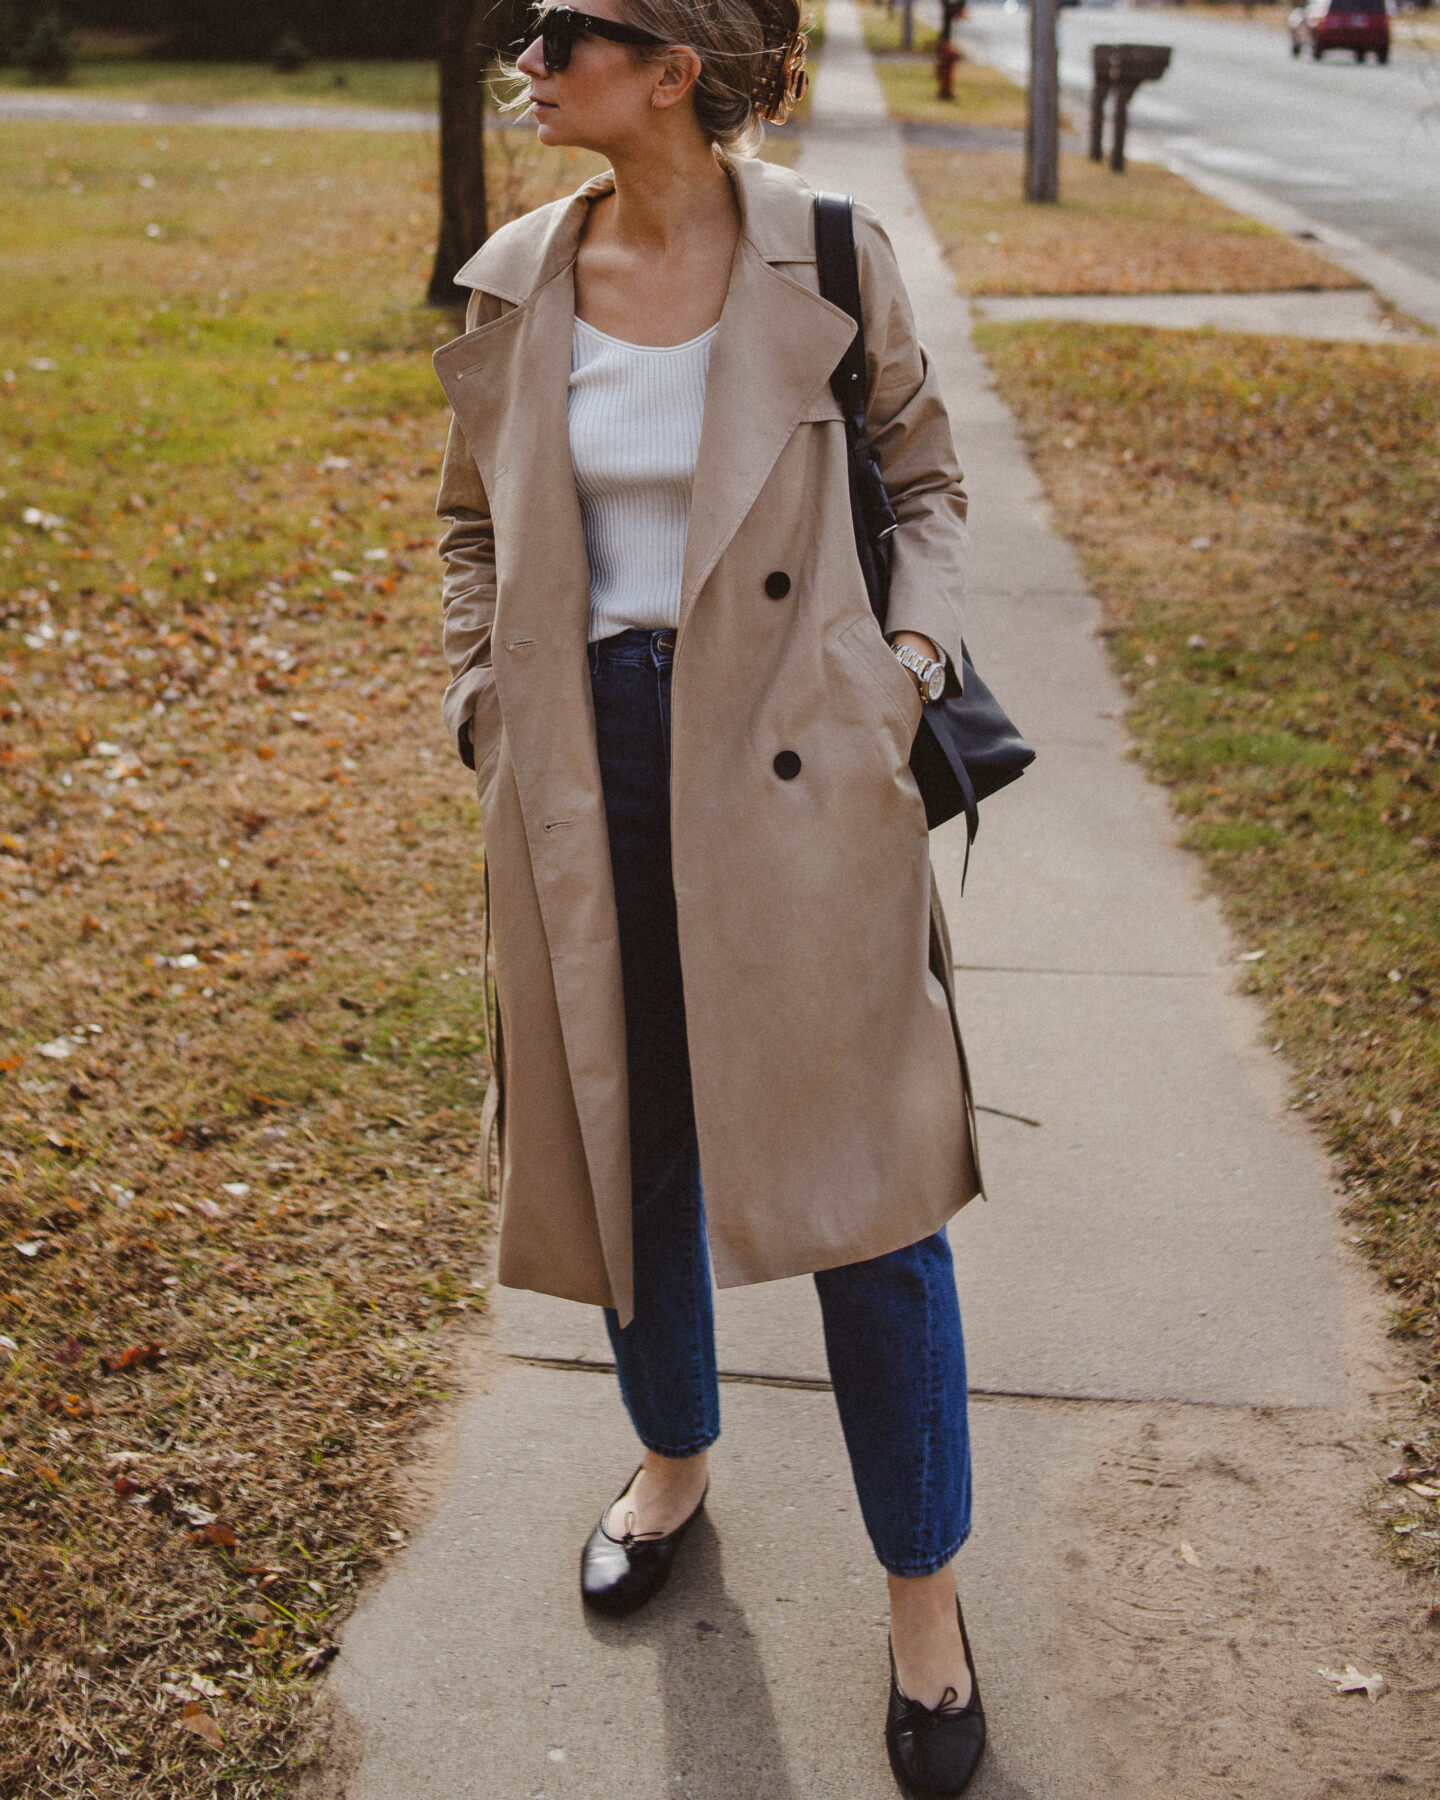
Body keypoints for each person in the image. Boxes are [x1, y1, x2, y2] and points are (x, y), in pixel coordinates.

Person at [432, 2, 986, 1792]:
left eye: (565, 29)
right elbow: (470, 524)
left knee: (870, 1198)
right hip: (584, 762)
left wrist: (897, 668)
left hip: (803, 767)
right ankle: (670, 1457)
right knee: (627, 1143)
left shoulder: (825, 251)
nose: (528, 51)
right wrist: (483, 702)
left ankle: (923, 1599)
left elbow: (926, 472)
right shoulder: (517, 270)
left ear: (670, 66)